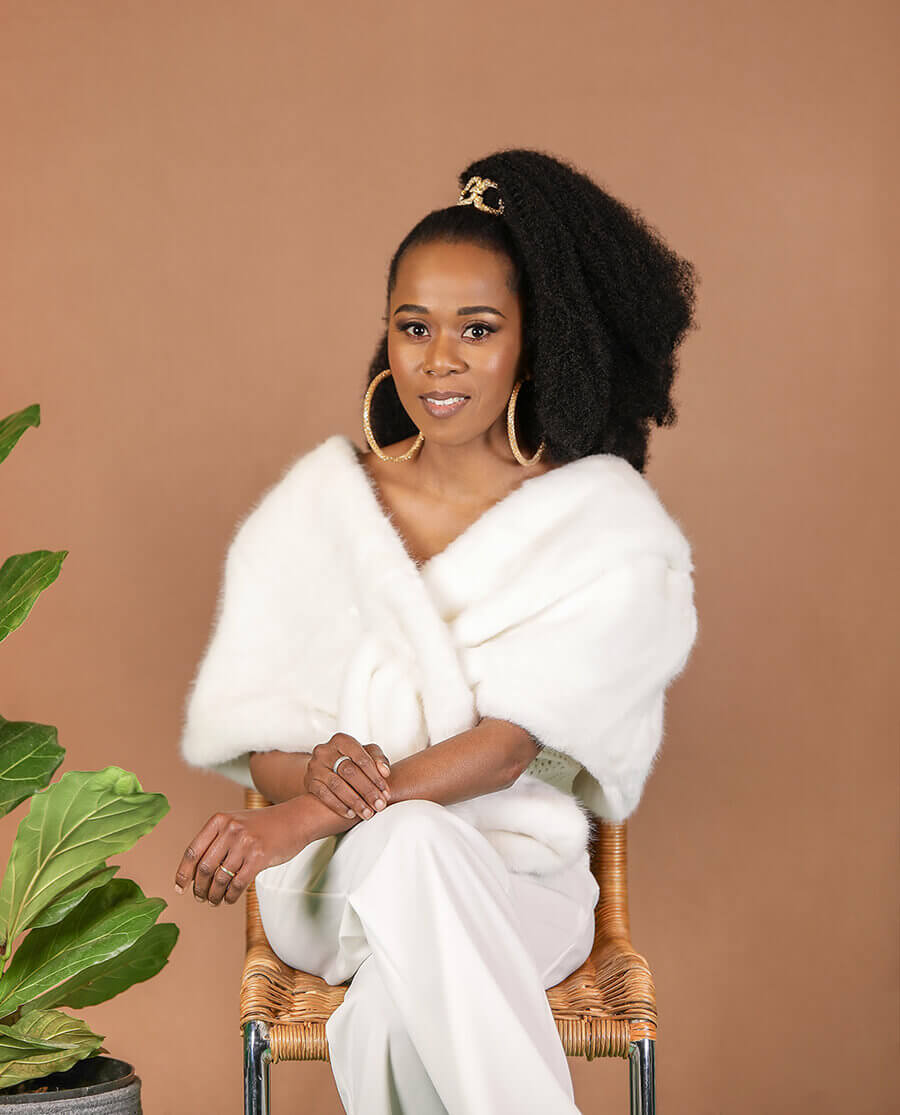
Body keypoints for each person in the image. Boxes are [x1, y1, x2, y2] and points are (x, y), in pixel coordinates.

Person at [174, 147, 700, 1114]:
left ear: (532, 345)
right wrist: (311, 770)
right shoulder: (317, 510)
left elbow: (509, 749)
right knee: (410, 843)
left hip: (520, 886)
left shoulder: (600, 524)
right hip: (333, 890)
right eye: (414, 326)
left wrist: (302, 813)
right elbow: (261, 738)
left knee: (390, 1015)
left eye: (478, 329)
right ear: (387, 335)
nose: (439, 359)